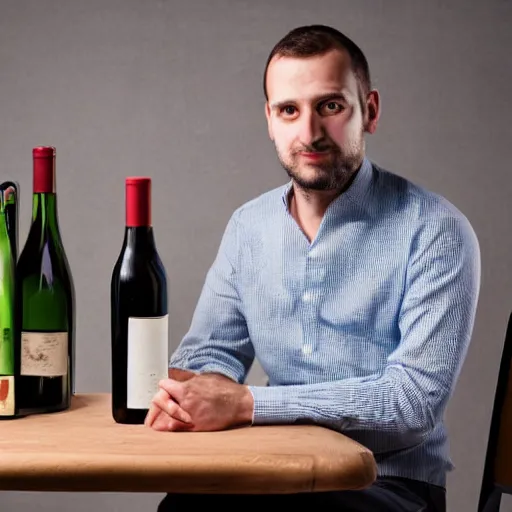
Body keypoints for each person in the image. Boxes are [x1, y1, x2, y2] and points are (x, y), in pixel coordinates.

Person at [146, 24, 481, 511]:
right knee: (182, 508)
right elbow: (210, 354)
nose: (309, 133)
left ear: (369, 111)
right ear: (269, 120)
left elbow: (412, 403)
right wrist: (193, 390)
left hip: (387, 484)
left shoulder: (436, 229)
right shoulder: (248, 226)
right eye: (289, 110)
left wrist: (246, 404)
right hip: (271, 468)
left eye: (330, 106)